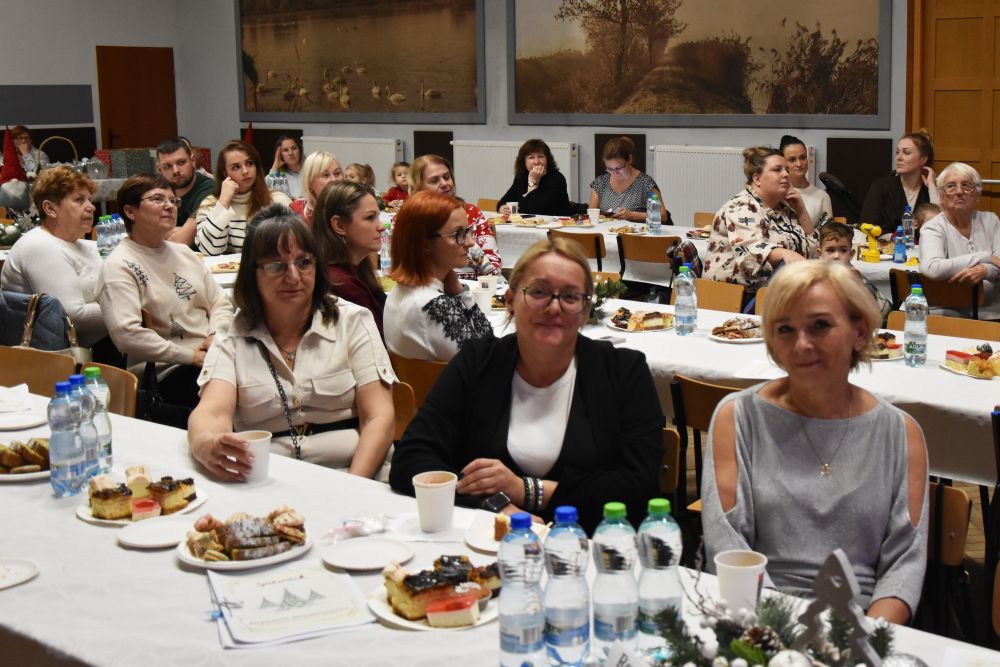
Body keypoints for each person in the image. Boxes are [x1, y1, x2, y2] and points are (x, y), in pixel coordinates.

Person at [702, 260, 928, 624]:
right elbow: (728, 546)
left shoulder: (900, 433)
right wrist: (782, 635)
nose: (802, 344)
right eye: (785, 329)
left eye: (820, 325)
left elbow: (905, 564)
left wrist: (863, 638)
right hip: (759, 621)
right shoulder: (738, 417)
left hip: (862, 626)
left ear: (859, 332)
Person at [389, 237, 664, 533]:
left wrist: (527, 490)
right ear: (510, 300)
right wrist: (494, 503)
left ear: (585, 310)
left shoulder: (624, 372)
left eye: (571, 296)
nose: (554, 307)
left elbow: (639, 488)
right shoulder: (477, 363)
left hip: (593, 547)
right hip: (486, 544)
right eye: (539, 292)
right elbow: (411, 461)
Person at [188, 205, 396, 480]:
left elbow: (378, 418)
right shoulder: (232, 335)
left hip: (357, 474)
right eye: (277, 266)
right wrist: (205, 443)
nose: (294, 276)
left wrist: (352, 486)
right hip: (268, 481)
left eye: (304, 262)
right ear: (252, 274)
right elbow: (212, 414)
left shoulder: (352, 321)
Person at [97, 174, 234, 410]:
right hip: (168, 371)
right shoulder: (120, 265)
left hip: (214, 353)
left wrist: (215, 336)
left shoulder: (184, 253)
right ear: (130, 212)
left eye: (173, 200)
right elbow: (127, 335)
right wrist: (190, 356)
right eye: (158, 199)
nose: (169, 206)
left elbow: (219, 302)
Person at [1, 166, 110, 349]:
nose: (91, 207)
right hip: (63, 356)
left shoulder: (86, 246)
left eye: (90, 200)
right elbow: (73, 317)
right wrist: (134, 310)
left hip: (102, 343)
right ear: (50, 208)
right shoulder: (39, 245)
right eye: (79, 200)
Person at [383, 191, 494, 361]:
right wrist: (463, 295)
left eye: (468, 231)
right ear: (425, 243)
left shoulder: (399, 292)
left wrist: (458, 290)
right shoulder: (433, 305)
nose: (471, 242)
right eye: (458, 234)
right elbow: (488, 357)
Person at [703, 147, 818, 297]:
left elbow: (813, 251)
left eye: (786, 170)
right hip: (734, 298)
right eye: (777, 170)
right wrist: (784, 253)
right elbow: (751, 255)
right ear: (757, 179)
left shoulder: (783, 208)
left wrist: (801, 209)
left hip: (776, 294)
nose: (785, 174)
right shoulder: (741, 207)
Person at [919, 162, 1000, 318]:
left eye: (966, 186)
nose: (959, 192)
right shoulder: (933, 228)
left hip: (994, 312)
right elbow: (932, 268)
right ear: (941, 197)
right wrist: (985, 258)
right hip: (949, 315)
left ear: (977, 195)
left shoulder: (991, 221)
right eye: (951, 186)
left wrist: (985, 270)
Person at [313, 181, 386, 339]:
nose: (381, 227)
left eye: (378, 217)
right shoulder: (343, 285)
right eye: (370, 218)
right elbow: (377, 342)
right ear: (339, 225)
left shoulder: (357, 267)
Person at [408, 154, 502, 277]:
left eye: (447, 177)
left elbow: (494, 268)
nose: (444, 183)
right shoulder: (410, 220)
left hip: (477, 285)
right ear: (418, 188)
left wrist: (469, 252)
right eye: (434, 181)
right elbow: (408, 266)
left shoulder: (471, 212)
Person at [195, 140, 292, 255]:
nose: (245, 171)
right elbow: (210, 250)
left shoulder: (277, 200)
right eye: (236, 167)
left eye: (249, 163)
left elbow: (292, 245)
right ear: (225, 173)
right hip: (224, 266)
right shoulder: (209, 203)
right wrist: (223, 203)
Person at [861, 129, 939, 232]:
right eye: (897, 152)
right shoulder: (881, 187)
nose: (899, 157)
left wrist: (932, 187)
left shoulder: (931, 190)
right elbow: (867, 227)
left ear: (923, 159)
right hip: (883, 242)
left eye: (906, 152)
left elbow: (940, 225)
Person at [818, 221, 891, 316]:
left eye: (843, 250)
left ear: (851, 254)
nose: (836, 256)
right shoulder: (817, 279)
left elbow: (878, 314)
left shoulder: (858, 283)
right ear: (820, 254)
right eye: (830, 250)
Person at [588, 136, 665, 223]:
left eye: (619, 168)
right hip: (606, 230)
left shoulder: (646, 184)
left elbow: (662, 215)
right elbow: (591, 215)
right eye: (610, 169)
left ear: (629, 159)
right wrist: (600, 217)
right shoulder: (600, 183)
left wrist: (632, 215)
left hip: (634, 231)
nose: (615, 173)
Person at [156, 137, 215, 247]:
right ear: (159, 169)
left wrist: (164, 233)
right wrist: (182, 230)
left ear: (193, 161)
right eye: (167, 166)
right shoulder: (157, 191)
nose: (175, 171)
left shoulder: (209, 189)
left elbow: (182, 240)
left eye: (181, 162)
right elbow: (143, 234)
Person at [497, 138, 573, 217]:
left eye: (540, 156)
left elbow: (536, 212)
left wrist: (533, 181)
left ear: (547, 159)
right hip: (528, 224)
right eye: (531, 157)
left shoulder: (557, 179)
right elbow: (503, 202)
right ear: (524, 161)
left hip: (555, 223)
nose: (536, 162)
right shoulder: (521, 176)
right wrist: (502, 208)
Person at [779, 135, 832, 226]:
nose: (799, 164)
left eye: (803, 157)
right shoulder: (776, 194)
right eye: (792, 160)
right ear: (782, 162)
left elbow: (827, 232)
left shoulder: (822, 197)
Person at [290, 150, 344, 226]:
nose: (334, 180)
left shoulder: (353, 208)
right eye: (326, 175)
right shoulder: (295, 213)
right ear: (310, 182)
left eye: (337, 173)